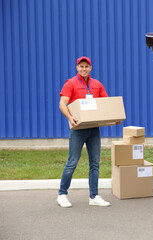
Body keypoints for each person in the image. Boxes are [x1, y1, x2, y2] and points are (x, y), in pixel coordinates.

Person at [57, 56, 110, 207]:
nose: (84, 69)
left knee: (95, 163)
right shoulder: (71, 83)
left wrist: (115, 118)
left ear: (90, 68)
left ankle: (94, 196)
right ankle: (62, 194)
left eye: (87, 66)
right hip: (78, 129)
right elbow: (62, 103)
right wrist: (70, 117)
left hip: (93, 129)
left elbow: (106, 104)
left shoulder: (97, 84)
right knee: (72, 162)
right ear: (77, 68)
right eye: (81, 66)